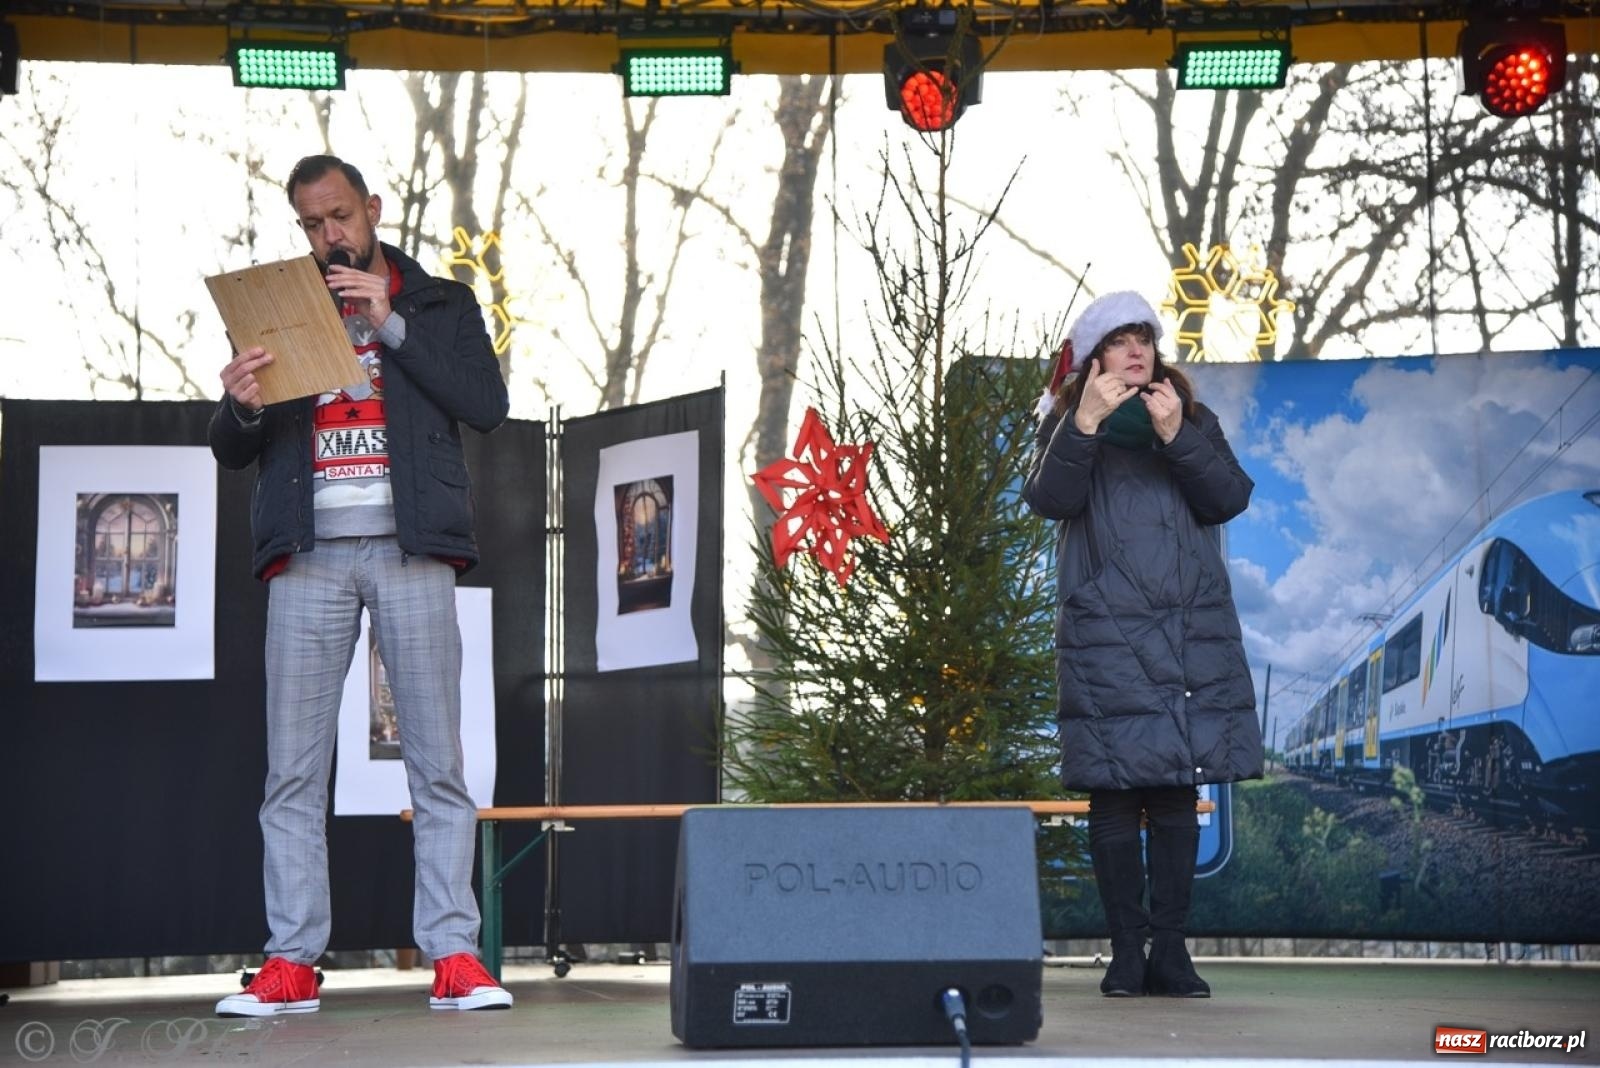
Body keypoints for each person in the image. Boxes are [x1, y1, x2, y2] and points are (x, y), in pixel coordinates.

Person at [209, 155, 512, 1016]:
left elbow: (485, 405)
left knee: (437, 762)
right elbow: (231, 443)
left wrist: (394, 325)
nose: (327, 236)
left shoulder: (440, 301)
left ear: (372, 209)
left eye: (338, 216)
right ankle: (291, 962)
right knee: (292, 772)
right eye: (310, 224)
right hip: (307, 553)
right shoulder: (278, 303)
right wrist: (240, 402)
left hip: (410, 546)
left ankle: (455, 953)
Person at [1022, 290, 1262, 999]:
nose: (1136, 350)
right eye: (1120, 339)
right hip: (1108, 632)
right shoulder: (1071, 422)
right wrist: (1084, 425)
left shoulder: (1189, 417)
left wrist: (1177, 435)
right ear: (1095, 358)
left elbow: (1227, 497)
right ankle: (1126, 953)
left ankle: (1172, 950)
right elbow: (1050, 501)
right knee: (1117, 796)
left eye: (1145, 338)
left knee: (1177, 793)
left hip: (1188, 629)